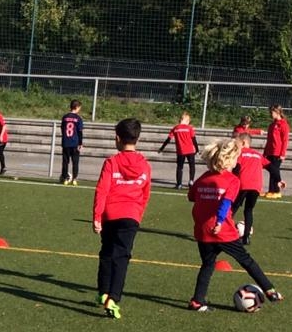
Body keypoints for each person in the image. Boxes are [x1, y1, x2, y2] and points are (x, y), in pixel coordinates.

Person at [186, 139, 283, 312]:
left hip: (202, 230)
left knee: (207, 264)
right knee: (246, 260)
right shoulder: (232, 180)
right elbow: (225, 203)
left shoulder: (204, 178)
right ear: (230, 160)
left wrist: (207, 195)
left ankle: (197, 301)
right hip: (223, 231)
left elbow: (191, 196)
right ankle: (270, 291)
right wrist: (219, 221)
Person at [92, 118, 152, 320]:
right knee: (122, 256)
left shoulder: (111, 162)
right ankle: (113, 297)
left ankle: (103, 292)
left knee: (107, 252)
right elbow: (145, 193)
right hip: (131, 215)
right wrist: (138, 215)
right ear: (137, 139)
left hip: (110, 214)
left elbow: (102, 190)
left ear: (117, 138)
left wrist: (97, 216)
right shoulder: (145, 165)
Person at [233, 133, 266, 245]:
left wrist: (231, 178)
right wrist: (279, 179)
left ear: (243, 142)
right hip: (256, 186)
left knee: (232, 208)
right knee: (248, 210)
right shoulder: (257, 154)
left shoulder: (240, 152)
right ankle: (246, 238)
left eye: (237, 142)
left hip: (243, 184)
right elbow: (271, 167)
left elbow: (237, 167)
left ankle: (224, 232)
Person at [158, 112, 197, 189]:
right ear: (187, 120)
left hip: (180, 151)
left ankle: (179, 184)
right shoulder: (189, 128)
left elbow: (168, 139)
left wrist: (162, 148)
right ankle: (191, 181)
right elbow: (194, 139)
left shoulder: (175, 128)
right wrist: (197, 149)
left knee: (180, 167)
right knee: (192, 165)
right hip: (190, 150)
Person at [263, 104, 290, 197]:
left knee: (274, 170)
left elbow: (285, 140)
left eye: (272, 112)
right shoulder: (271, 125)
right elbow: (269, 140)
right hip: (270, 151)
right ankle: (272, 190)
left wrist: (283, 154)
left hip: (277, 152)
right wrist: (265, 152)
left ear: (277, 112)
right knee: (272, 170)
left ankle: (276, 191)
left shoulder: (283, 124)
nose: (270, 114)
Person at [59, 100, 84, 185]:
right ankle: (74, 179)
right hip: (75, 143)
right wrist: (80, 143)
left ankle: (65, 178)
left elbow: (62, 129)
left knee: (65, 161)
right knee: (75, 162)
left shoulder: (65, 117)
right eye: (79, 108)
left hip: (66, 142)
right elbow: (80, 132)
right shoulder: (78, 118)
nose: (79, 109)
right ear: (76, 107)